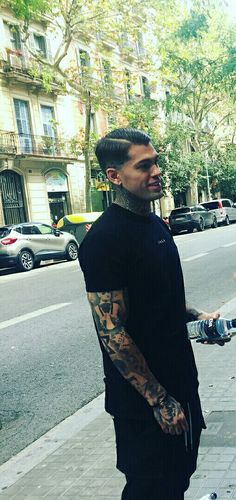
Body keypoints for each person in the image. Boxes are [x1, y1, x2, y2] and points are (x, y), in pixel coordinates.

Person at [78, 128, 221, 500]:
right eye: (144, 165)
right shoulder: (105, 240)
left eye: (155, 162)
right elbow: (112, 332)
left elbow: (164, 300)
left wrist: (200, 318)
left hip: (181, 383)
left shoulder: (157, 225)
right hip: (145, 403)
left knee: (179, 479)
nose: (156, 171)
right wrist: (159, 400)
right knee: (150, 488)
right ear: (114, 176)